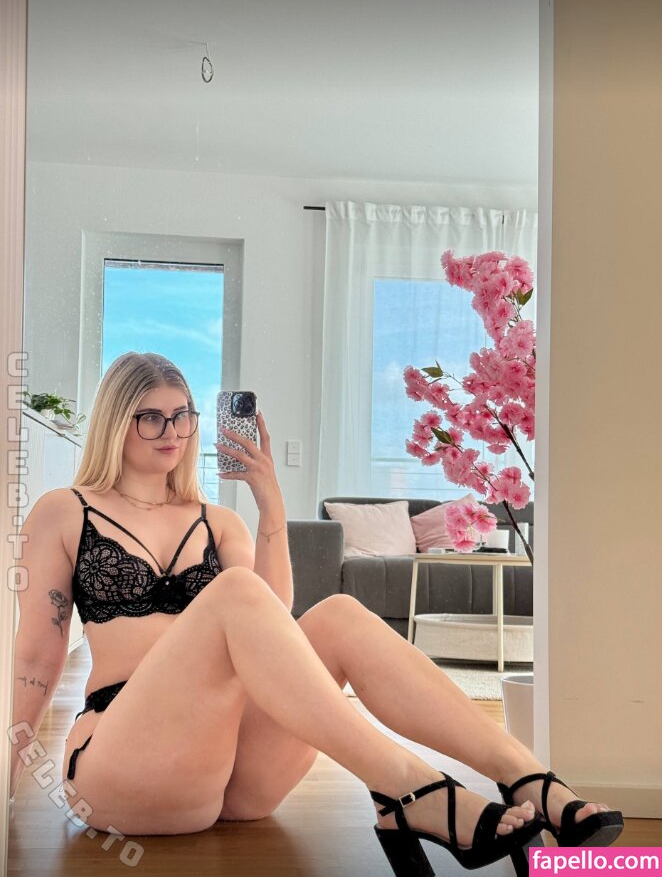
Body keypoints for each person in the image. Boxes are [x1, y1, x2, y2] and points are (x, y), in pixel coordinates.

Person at [10, 352, 623, 875]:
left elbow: (272, 624)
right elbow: (37, 656)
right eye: (151, 417)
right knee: (236, 590)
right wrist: (9, 775)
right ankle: (407, 786)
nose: (172, 430)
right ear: (115, 421)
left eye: (183, 415)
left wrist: (270, 504)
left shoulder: (217, 522)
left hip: (234, 771)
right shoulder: (65, 511)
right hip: (122, 759)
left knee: (337, 616)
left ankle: (529, 779)